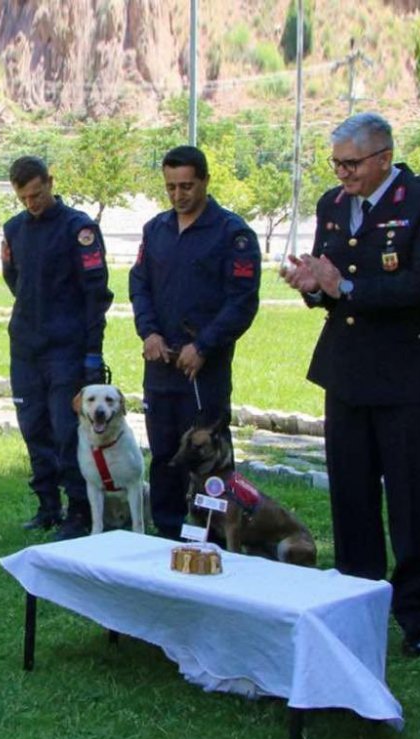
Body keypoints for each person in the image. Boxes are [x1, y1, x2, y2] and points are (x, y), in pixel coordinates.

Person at [283, 112, 420, 656]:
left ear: (384, 156)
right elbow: (330, 283)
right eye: (336, 163)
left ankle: (416, 616)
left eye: (352, 163)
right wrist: (313, 287)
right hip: (349, 369)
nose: (342, 173)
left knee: (412, 497)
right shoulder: (333, 204)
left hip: (409, 372)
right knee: (351, 493)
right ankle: (357, 597)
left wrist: (346, 285)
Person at [129, 145, 261, 539]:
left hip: (204, 369)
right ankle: (167, 532)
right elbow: (140, 285)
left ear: (204, 181)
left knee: (210, 459)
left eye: (186, 186)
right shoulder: (156, 230)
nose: (178, 195)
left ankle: (217, 535)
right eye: (170, 187)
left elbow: (241, 301)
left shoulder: (232, 233)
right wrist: (148, 332)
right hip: (160, 364)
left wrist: (204, 345)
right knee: (166, 454)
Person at [1, 155, 113, 541]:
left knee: (67, 431)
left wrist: (91, 353)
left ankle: (79, 510)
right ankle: (47, 505)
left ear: (50, 182)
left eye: (37, 193)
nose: (32, 203)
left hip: (66, 348)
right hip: (26, 347)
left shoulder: (78, 229)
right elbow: (14, 278)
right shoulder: (14, 229)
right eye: (24, 197)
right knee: (33, 427)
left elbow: (95, 294)